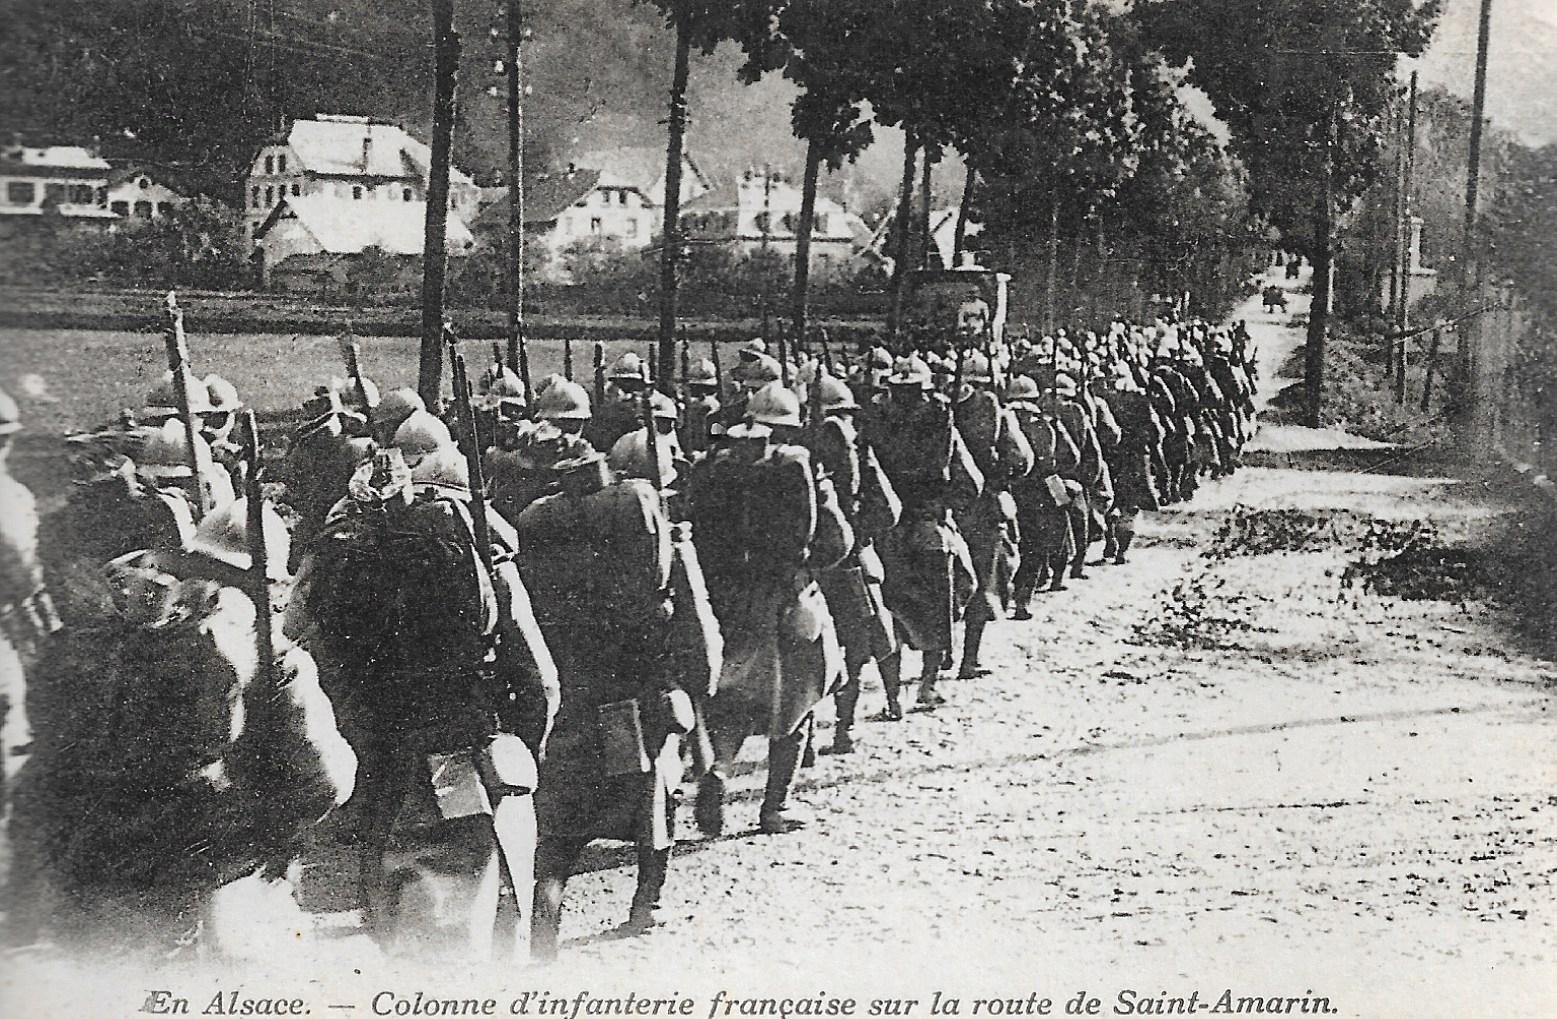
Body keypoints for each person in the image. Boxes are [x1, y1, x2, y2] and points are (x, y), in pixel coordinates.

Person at [8, 498, 357, 955]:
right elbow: (323, 783)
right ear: (267, 584)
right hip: (213, 874)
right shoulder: (271, 657)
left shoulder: (99, 641)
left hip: (94, 873)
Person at [291, 448, 559, 961]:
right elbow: (540, 683)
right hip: (467, 762)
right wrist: (528, 751)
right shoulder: (482, 565)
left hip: (379, 772)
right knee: (487, 928)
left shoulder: (342, 560)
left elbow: (315, 660)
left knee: (401, 934)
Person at [517, 451, 721, 957]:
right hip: (637, 689)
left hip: (572, 692)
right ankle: (646, 902)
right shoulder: (646, 528)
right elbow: (694, 626)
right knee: (652, 798)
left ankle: (546, 919)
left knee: (560, 821)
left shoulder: (538, 523)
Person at [687, 402, 850, 836]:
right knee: (798, 700)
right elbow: (835, 543)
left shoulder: (712, 469)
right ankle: (776, 807)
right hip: (786, 599)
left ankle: (718, 771)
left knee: (731, 700)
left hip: (728, 601)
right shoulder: (795, 468)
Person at [863, 357, 980, 715]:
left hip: (885, 532)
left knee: (891, 612)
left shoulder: (874, 425)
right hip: (928, 528)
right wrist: (945, 504)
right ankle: (927, 685)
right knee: (939, 607)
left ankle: (893, 696)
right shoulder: (943, 426)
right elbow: (971, 484)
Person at [807, 371, 901, 754]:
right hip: (848, 557)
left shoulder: (811, 448)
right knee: (863, 641)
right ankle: (845, 727)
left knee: (831, 647)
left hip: (830, 561)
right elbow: (887, 509)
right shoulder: (853, 448)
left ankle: (828, 733)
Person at [951, 351, 1032, 679]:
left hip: (946, 505)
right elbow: (1020, 459)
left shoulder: (938, 405)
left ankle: (940, 653)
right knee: (985, 580)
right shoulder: (994, 409)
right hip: (984, 507)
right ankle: (969, 658)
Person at [1006, 374, 1080, 612]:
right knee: (1035, 546)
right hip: (1036, 493)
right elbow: (1070, 459)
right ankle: (1022, 598)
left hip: (1011, 491)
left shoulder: (1000, 420)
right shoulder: (1042, 425)